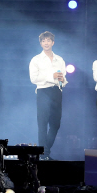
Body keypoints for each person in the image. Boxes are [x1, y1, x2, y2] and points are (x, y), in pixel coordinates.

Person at [29, 31, 67, 161]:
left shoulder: (59, 59)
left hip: (56, 91)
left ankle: (45, 151)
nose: (46, 43)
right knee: (43, 124)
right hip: (43, 91)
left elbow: (63, 78)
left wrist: (62, 80)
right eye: (43, 41)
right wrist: (52, 76)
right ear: (40, 43)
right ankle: (43, 155)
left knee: (55, 124)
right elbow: (33, 78)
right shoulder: (36, 59)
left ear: (53, 42)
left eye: (48, 40)